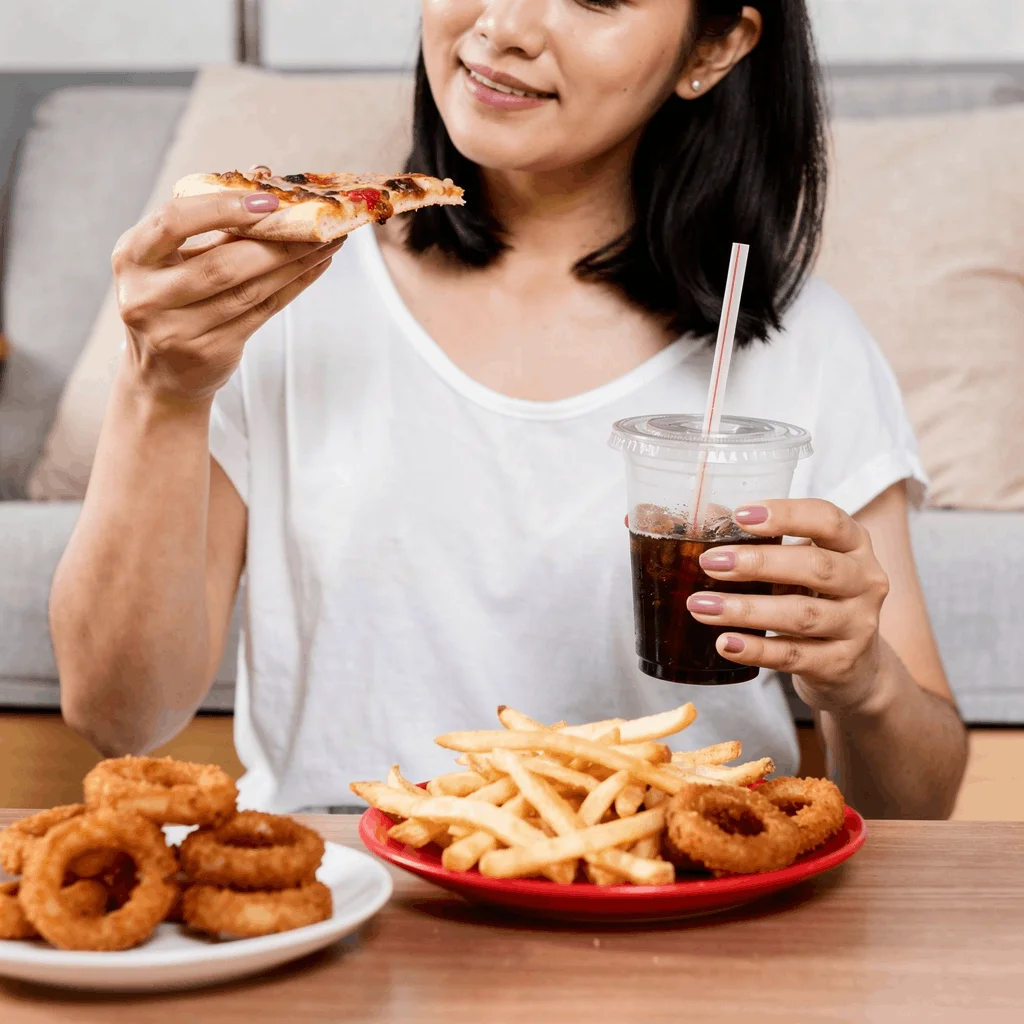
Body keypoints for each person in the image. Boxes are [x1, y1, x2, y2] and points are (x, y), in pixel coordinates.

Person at [51, 1, 967, 818]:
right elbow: (119, 714)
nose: (505, 25)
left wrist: (864, 682)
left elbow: (919, 802)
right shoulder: (278, 294)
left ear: (715, 45)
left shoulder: (804, 343)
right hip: (352, 910)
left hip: (684, 911)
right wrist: (160, 391)